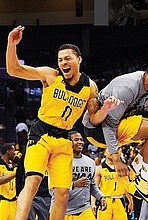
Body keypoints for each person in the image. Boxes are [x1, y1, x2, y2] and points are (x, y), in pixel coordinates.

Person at [6, 25, 122, 220]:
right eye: (60, 60)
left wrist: (106, 109)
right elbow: (13, 69)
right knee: (33, 180)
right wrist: (11, 44)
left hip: (64, 139)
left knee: (62, 193)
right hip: (41, 134)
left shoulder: (90, 86)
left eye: (67, 58)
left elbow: (94, 118)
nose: (63, 63)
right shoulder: (51, 76)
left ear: (79, 59)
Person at [83, 58, 148, 209]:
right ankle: (142, 182)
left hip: (120, 127)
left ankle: (137, 175)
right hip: (97, 130)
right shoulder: (128, 86)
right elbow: (108, 125)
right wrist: (116, 160)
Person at [50, 130, 107, 220]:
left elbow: (92, 185)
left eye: (81, 140)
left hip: (84, 209)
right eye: (76, 140)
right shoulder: (58, 162)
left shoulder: (90, 162)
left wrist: (101, 197)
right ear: (68, 142)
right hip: (62, 210)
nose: (80, 142)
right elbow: (52, 190)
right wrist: (74, 184)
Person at [94, 148, 134, 220]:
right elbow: (94, 188)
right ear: (105, 153)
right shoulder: (99, 169)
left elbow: (127, 187)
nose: (112, 153)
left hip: (120, 199)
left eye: (116, 151)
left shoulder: (124, 168)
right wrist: (93, 203)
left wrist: (131, 201)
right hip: (105, 200)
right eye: (109, 150)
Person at [0, 143, 17, 220]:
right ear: (8, 151)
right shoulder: (0, 165)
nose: (15, 153)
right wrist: (14, 175)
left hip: (14, 201)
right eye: (14, 150)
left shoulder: (16, 166)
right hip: (2, 201)